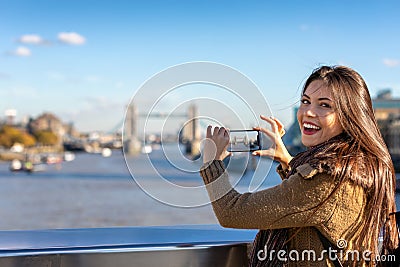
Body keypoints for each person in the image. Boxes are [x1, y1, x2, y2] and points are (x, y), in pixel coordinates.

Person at [199, 65, 398, 266]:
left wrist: (211, 162)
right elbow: (307, 207)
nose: (308, 112)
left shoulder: (327, 180)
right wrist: (288, 160)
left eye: (325, 105)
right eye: (305, 101)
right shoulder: (354, 164)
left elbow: (232, 212)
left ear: (349, 116)